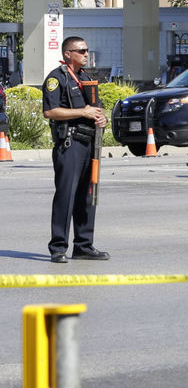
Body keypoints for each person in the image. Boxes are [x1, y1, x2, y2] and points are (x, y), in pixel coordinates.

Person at [42, 36, 109, 263]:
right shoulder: (56, 78)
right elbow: (50, 112)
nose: (85, 54)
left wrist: (102, 118)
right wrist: (83, 113)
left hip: (89, 143)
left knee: (88, 196)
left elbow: (95, 109)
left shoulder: (86, 78)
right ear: (68, 53)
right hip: (69, 144)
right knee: (66, 196)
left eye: (87, 50)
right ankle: (58, 247)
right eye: (81, 50)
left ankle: (84, 245)